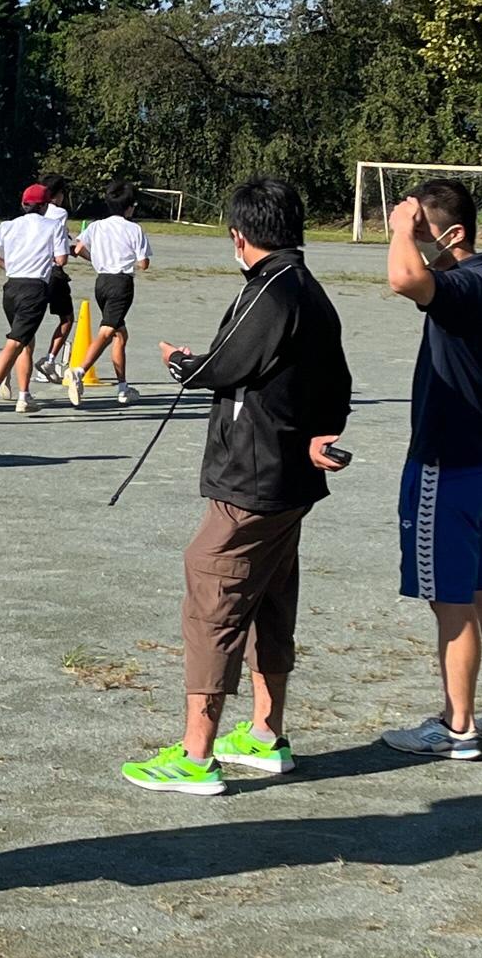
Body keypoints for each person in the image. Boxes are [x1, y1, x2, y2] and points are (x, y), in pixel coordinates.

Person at [119, 178, 351, 796]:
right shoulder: (311, 291)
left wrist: (179, 361)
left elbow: (224, 364)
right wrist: (321, 434)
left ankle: (197, 754)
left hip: (252, 479)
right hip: (287, 477)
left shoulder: (270, 287)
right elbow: (336, 380)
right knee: (269, 600)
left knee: (213, 593)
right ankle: (265, 735)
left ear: (239, 236)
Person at [379, 180, 482, 761]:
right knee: (480, 587)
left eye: (423, 231)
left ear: (452, 236)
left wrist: (404, 229)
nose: (408, 239)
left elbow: (404, 280)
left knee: (450, 601)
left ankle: (457, 727)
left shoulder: (462, 284)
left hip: (445, 468)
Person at [0, 183, 69, 418]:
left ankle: (24, 396)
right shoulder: (53, 225)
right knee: (16, 340)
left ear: (23, 204)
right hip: (34, 288)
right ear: (46, 205)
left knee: (26, 340)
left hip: (11, 287)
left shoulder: (9, 225)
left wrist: (4, 263)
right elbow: (62, 259)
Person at [65, 180, 153, 404]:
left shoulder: (96, 226)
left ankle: (123, 387)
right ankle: (79, 372)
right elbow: (143, 263)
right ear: (129, 207)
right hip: (121, 284)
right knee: (106, 333)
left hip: (101, 282)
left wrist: (96, 258)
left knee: (120, 335)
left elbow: (78, 249)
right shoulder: (134, 229)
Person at [35, 175, 78, 383]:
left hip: (30, 269)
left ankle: (11, 373)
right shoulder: (60, 212)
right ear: (58, 195)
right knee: (67, 318)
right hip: (52, 271)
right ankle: (50, 359)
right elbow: (58, 245)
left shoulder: (30, 211)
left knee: (27, 325)